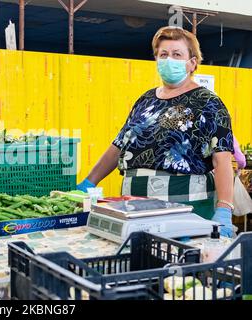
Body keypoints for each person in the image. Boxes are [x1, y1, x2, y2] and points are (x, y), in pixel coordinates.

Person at [77, 26, 235, 237]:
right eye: (163, 54)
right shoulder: (146, 100)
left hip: (185, 207)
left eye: (177, 54)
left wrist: (224, 208)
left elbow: (222, 159)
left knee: (180, 264)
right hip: (135, 207)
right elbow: (119, 145)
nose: (169, 59)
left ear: (193, 63)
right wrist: (89, 182)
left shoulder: (209, 103)